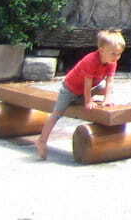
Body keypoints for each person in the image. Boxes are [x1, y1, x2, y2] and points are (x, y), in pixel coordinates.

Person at [35, 29, 125, 160]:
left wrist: (107, 99)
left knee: (106, 89)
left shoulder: (112, 62)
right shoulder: (91, 60)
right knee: (56, 114)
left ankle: (89, 99)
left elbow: (110, 81)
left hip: (86, 90)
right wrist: (88, 101)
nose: (116, 57)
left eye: (119, 54)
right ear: (101, 50)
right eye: (113, 54)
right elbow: (86, 83)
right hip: (70, 90)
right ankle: (42, 140)